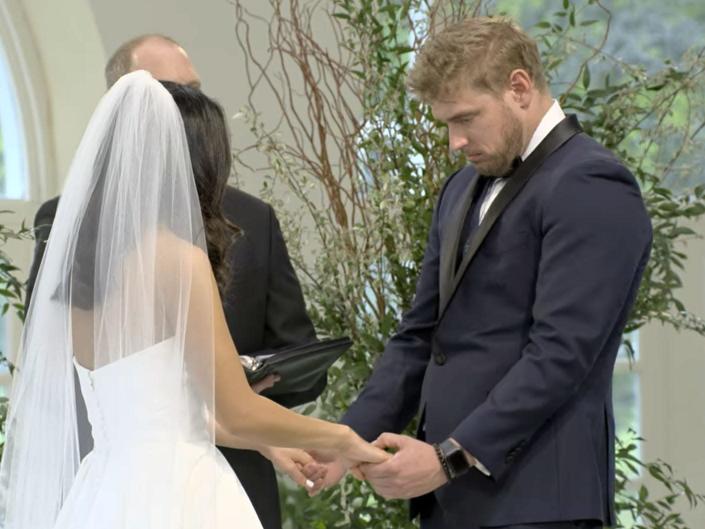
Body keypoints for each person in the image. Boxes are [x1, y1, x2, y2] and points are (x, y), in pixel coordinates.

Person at [0, 71, 387, 529]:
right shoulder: (178, 261)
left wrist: (271, 442)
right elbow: (236, 410)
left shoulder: (78, 272)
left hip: (103, 492)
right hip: (178, 494)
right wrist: (343, 437)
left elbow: (155, 413)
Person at [317, 16, 653, 529]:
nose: (455, 141)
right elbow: (421, 336)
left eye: (466, 118)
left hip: (540, 504)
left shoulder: (591, 182)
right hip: (452, 504)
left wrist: (449, 457)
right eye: (446, 123)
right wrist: (345, 441)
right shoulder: (459, 190)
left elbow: (562, 354)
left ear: (519, 87)